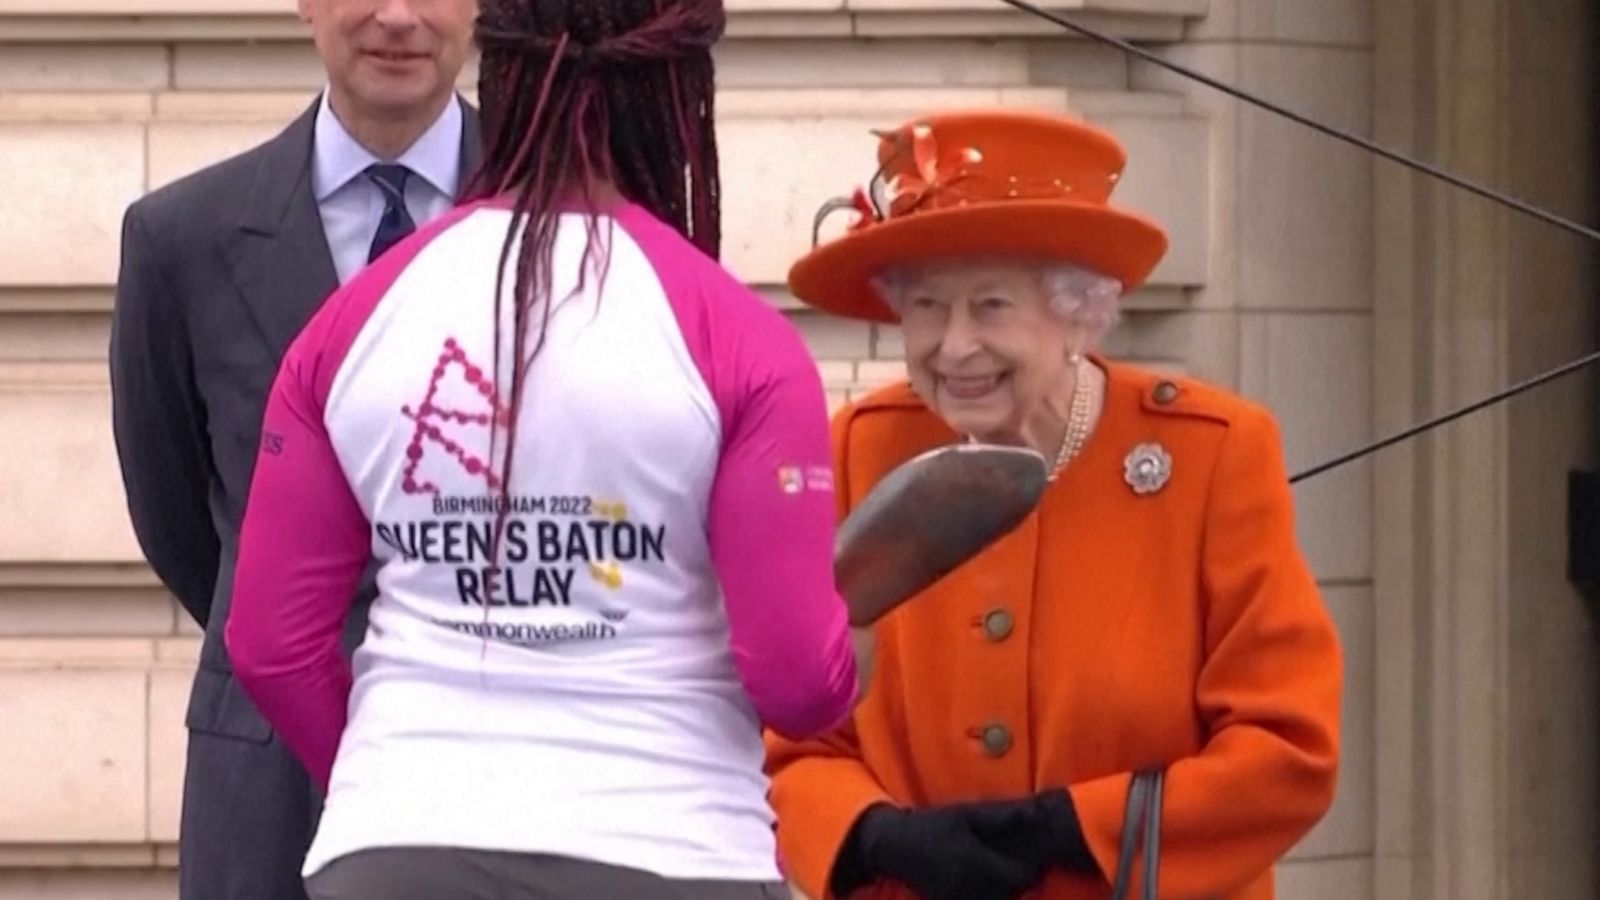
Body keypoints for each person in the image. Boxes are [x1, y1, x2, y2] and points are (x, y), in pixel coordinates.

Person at [222, 1, 860, 898]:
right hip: (667, 847)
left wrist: (389, 785)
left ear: (500, 66)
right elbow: (796, 677)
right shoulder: (738, 338)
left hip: (396, 849)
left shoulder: (353, 322)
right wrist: (852, 645)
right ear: (680, 96)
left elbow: (269, 644)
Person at [764, 110, 1344, 900]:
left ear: (1078, 311)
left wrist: (1073, 828)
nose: (954, 345)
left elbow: (1287, 747)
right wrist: (873, 836)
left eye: (992, 306)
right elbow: (791, 736)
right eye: (928, 306)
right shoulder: (860, 451)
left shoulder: (1212, 453)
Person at [107, 1, 479, 897]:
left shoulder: (578, 218)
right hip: (268, 785)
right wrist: (289, 627)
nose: (398, 17)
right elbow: (181, 519)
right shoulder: (180, 239)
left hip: (503, 757)